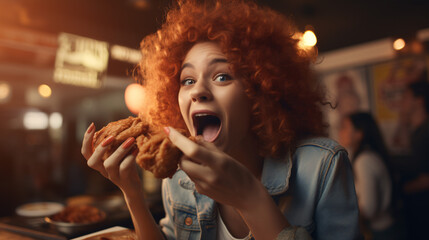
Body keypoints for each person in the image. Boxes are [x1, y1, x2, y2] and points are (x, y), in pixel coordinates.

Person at [81, 1, 360, 239]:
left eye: (222, 76)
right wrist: (131, 191)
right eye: (187, 80)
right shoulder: (177, 177)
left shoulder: (322, 166)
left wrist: (250, 198)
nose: (198, 91)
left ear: (259, 92)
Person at [339, 112, 399, 240]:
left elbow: (368, 208)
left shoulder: (364, 161)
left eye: (345, 127)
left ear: (359, 134)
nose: (340, 132)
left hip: (382, 233)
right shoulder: (367, 156)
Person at [400, 80, 429, 240]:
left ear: (419, 100)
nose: (402, 101)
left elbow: (426, 180)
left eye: (406, 96)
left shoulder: (425, 131)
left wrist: (399, 191)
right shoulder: (417, 131)